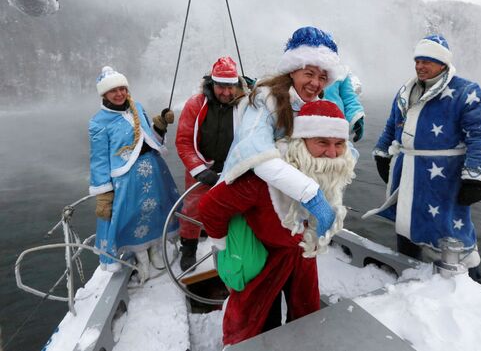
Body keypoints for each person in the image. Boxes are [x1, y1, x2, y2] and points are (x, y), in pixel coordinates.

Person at [195, 100, 356, 346]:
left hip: (302, 254)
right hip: (263, 256)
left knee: (305, 316)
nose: (333, 154)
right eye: (322, 142)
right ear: (301, 142)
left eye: (339, 144)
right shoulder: (262, 179)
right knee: (257, 324)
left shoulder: (328, 171)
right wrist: (224, 245)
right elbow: (210, 207)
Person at [368, 35, 481, 281]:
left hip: (444, 178)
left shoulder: (466, 92)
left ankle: (471, 284)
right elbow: (391, 127)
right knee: (406, 224)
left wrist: (476, 177)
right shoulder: (406, 92)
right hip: (407, 174)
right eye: (418, 60)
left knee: (452, 234)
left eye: (427, 61)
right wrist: (382, 153)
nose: (420, 66)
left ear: (443, 64)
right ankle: (408, 273)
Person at [219, 26, 348, 233]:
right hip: (252, 201)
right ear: (292, 70)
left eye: (323, 78)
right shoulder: (266, 101)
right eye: (309, 74)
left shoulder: (317, 107)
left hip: (290, 205)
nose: (316, 83)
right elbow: (256, 154)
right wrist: (311, 194)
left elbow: (337, 149)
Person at [89, 66, 179, 282]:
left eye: (122, 89)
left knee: (156, 209)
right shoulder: (98, 122)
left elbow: (149, 138)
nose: (119, 94)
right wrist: (103, 193)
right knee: (133, 216)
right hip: (127, 180)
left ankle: (156, 251)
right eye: (114, 91)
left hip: (154, 170)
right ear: (104, 94)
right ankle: (141, 258)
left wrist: (160, 125)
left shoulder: (137, 107)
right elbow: (99, 160)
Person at [175, 56, 249, 271]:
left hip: (233, 171)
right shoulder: (194, 105)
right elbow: (183, 141)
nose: (226, 92)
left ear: (238, 84)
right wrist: (199, 171)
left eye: (231, 86)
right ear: (212, 83)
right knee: (192, 210)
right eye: (221, 86)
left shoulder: (247, 106)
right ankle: (188, 248)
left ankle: (235, 250)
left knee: (235, 212)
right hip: (201, 170)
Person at [323, 72, 365, 142]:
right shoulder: (301, 65)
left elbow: (349, 98)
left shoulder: (340, 71)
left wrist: (356, 117)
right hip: (307, 128)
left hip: (337, 128)